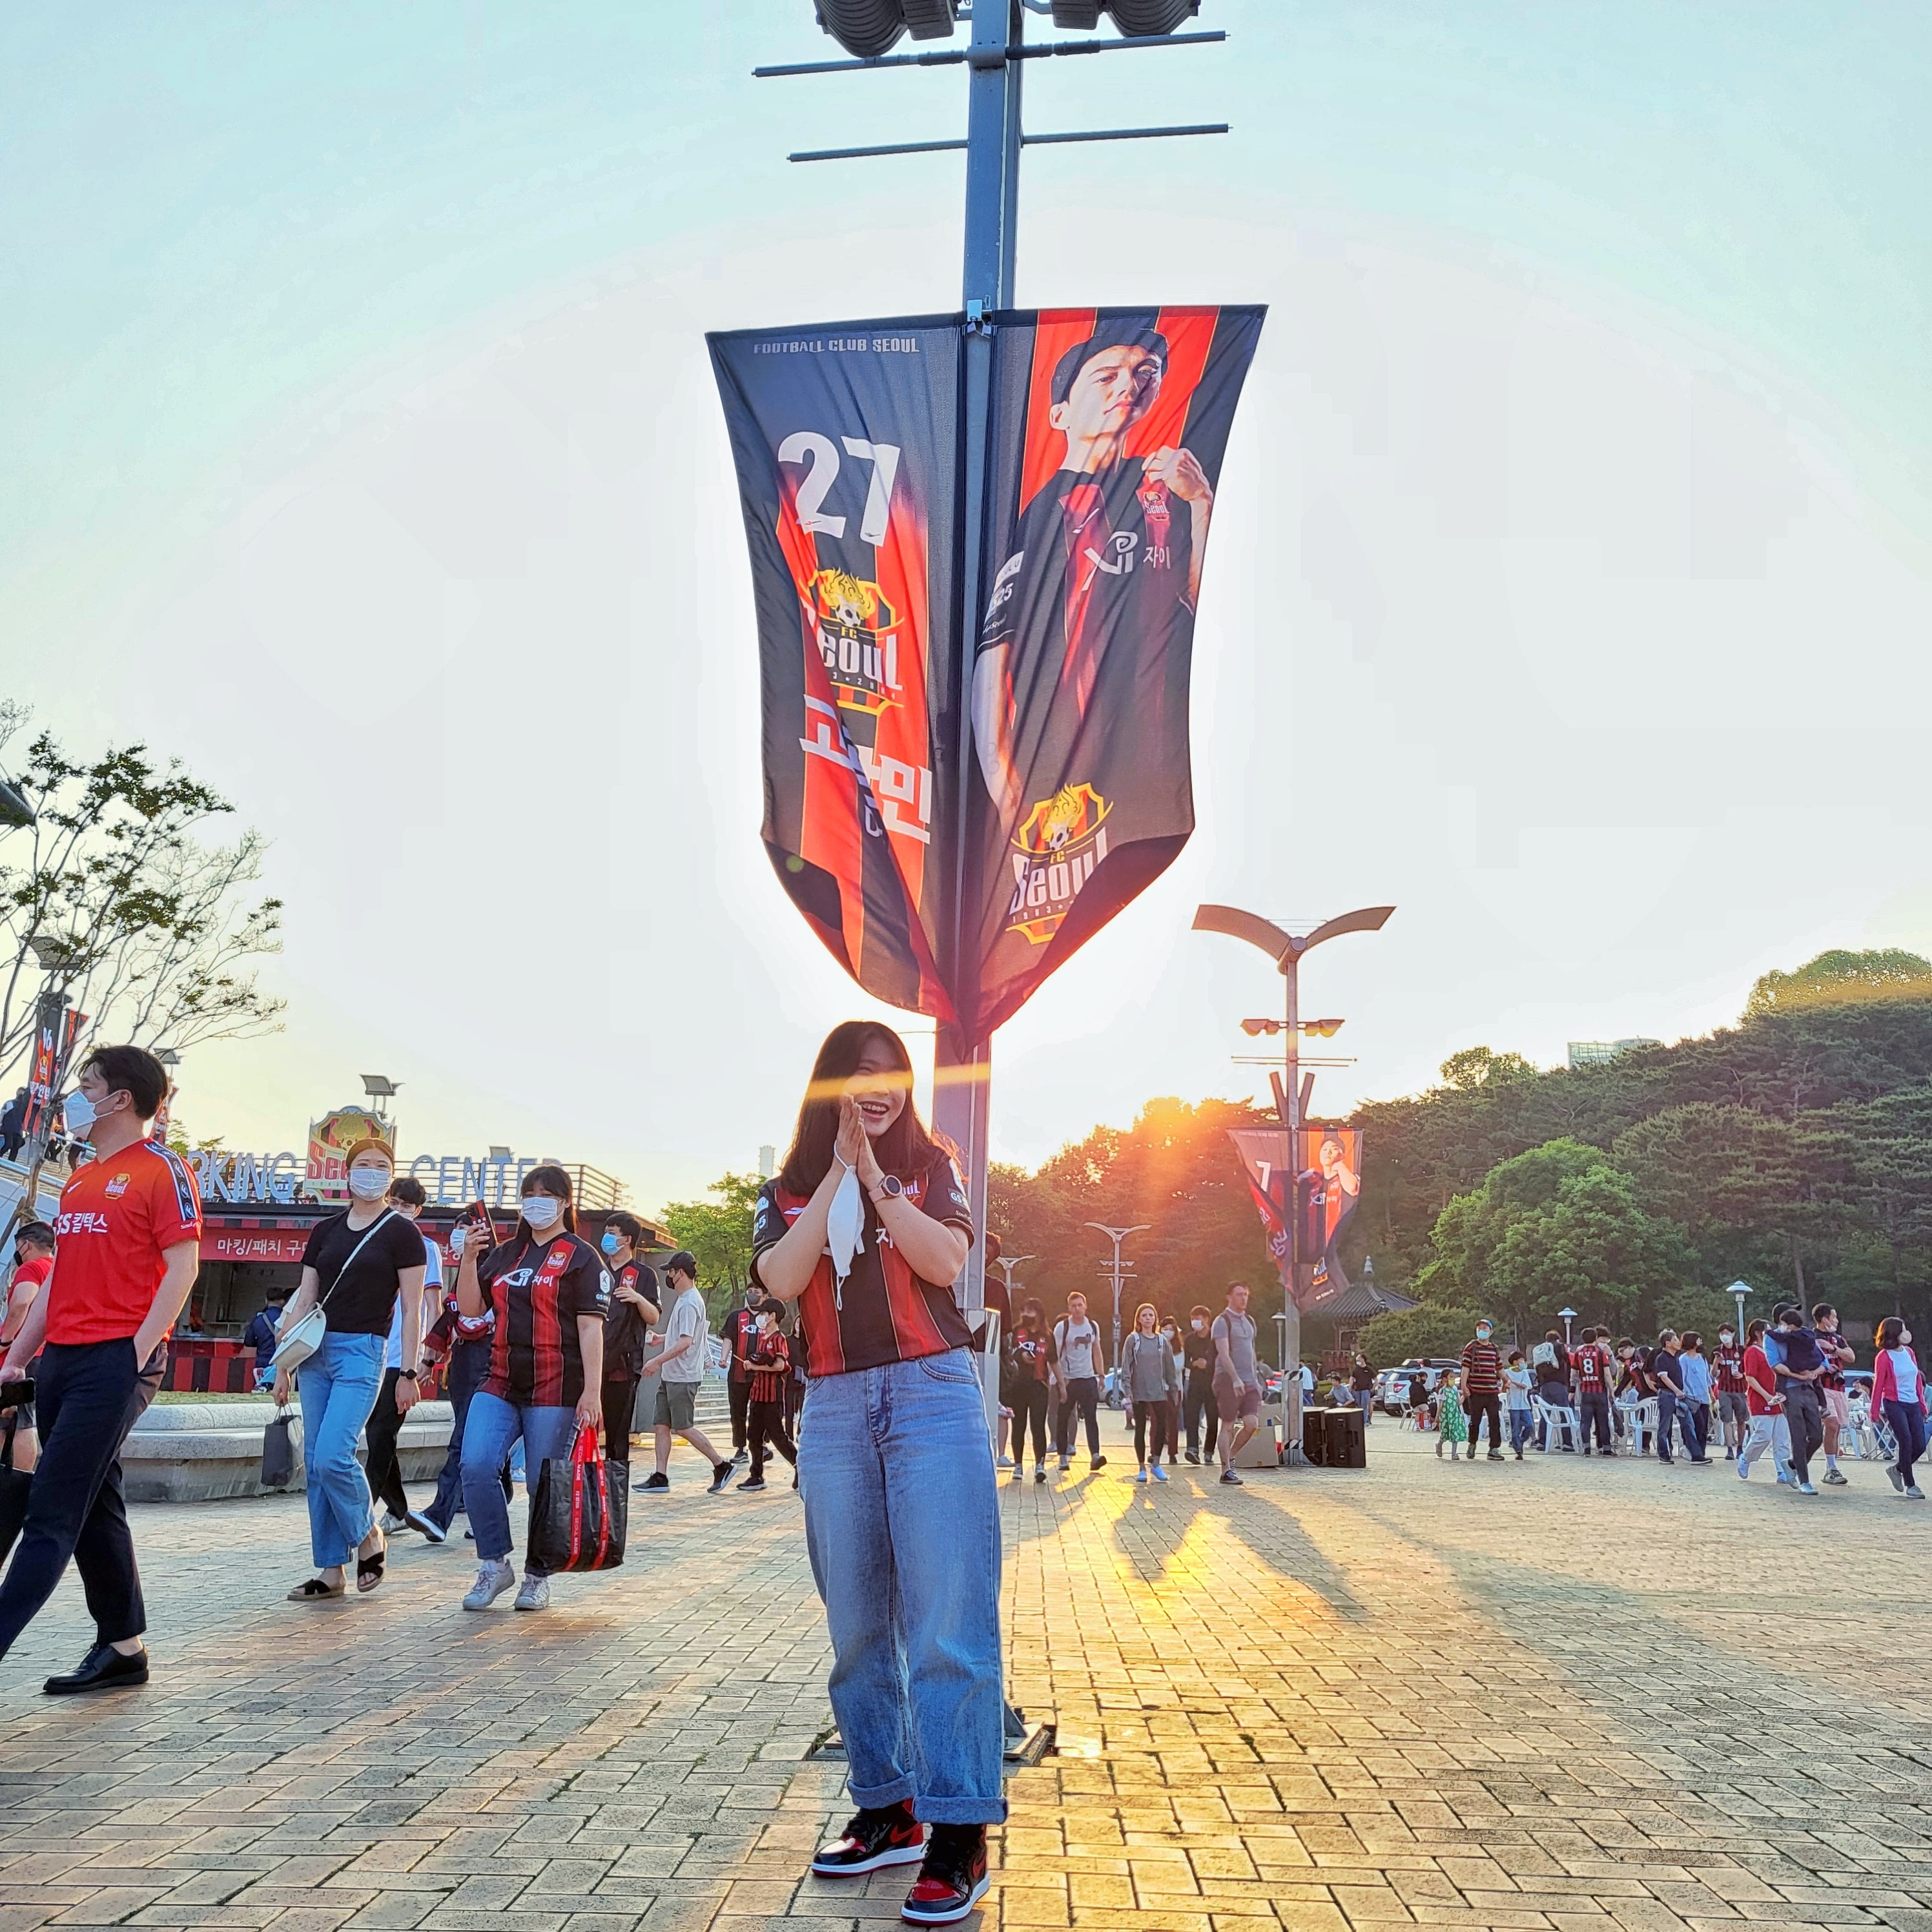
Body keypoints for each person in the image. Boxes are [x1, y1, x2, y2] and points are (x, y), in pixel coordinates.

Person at [751, 1019, 998, 1924]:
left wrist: (878, 1180)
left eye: (890, 1072)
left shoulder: (936, 1168)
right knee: (856, 1624)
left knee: (946, 1625)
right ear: (829, 1088)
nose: (879, 1086)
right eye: (858, 1074)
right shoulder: (783, 1190)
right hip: (838, 1405)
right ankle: (886, 1808)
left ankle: (960, 1830)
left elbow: (944, 1259)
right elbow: (782, 1277)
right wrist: (831, 1179)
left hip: (933, 1394)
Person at [0, 1045, 200, 1693]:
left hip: (117, 1359)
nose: (75, 1098)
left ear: (121, 1099)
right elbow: (60, 1282)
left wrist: (138, 1350)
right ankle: (123, 1646)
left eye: (88, 1085)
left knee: (52, 1511)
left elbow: (183, 1267)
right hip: (63, 1358)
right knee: (95, 1500)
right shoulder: (83, 1178)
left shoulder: (160, 1169)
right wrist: (19, 1356)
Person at [274, 1136, 427, 1599]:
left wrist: (409, 1372)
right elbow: (305, 1298)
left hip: (364, 1351)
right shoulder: (325, 1231)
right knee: (316, 1466)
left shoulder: (403, 1233)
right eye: (363, 1164)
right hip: (315, 1352)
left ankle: (368, 1534)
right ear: (346, 1172)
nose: (372, 1172)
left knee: (332, 1454)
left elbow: (414, 1308)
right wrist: (282, 1366)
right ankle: (330, 1571)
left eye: (382, 1166)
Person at [455, 1164, 610, 1612]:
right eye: (529, 1193)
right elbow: (470, 1309)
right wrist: (469, 1257)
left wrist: (592, 1391)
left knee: (543, 1484)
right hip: (499, 1378)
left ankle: (538, 1575)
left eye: (547, 1193)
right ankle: (493, 1564)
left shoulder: (582, 1257)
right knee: (477, 1463)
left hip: (556, 1387)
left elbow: (590, 1329)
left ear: (565, 1202)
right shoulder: (504, 1255)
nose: (536, 1201)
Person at [358, 1175, 446, 1540]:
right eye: (392, 1202)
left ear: (418, 1211)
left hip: (403, 1357)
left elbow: (431, 1304)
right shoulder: (369, 1240)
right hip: (368, 1352)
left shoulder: (426, 1248)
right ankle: (399, 1509)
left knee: (382, 1434)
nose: (397, 1210)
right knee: (376, 1433)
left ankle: (361, 1515)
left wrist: (429, 1355)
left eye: (405, 1206)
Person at [418, 1209, 501, 1539]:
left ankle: (440, 1514)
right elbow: (450, 1316)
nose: (461, 1234)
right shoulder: (465, 1272)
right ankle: (497, 1494)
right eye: (457, 1229)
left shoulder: (499, 1272)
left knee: (463, 1440)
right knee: (473, 1438)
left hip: (491, 1361)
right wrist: (428, 1361)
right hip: (463, 1363)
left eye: (467, 1228)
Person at [635, 1252, 732, 1495]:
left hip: (683, 1376)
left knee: (683, 1427)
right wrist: (662, 1339)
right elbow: (681, 1336)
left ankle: (721, 1465)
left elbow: (686, 1342)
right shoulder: (685, 1299)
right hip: (672, 1375)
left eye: (671, 1271)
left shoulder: (689, 1302)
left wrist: (656, 1361)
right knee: (661, 1425)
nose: (669, 1276)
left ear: (680, 1272)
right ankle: (660, 1476)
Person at [599, 1213, 659, 1468]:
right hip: (590, 1361)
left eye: (612, 1232)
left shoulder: (644, 1274)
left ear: (627, 1239)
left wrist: (637, 1298)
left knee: (617, 1431)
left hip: (623, 1365)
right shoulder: (595, 1269)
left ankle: (615, 1490)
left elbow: (654, 1316)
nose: (607, 1237)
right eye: (607, 1231)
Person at [1, 1221, 56, 1474]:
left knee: (16, 1419)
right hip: (51, 1353)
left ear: (26, 1244)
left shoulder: (32, 1269)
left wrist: (7, 1340)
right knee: (28, 1417)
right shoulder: (59, 1268)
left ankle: (16, 1477)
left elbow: (22, 1303)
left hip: (26, 1355)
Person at [737, 1298, 797, 1492]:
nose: (761, 1317)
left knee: (778, 1436)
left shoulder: (779, 1339)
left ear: (772, 1316)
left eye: (764, 1314)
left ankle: (800, 1468)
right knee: (753, 1435)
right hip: (758, 1394)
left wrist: (754, 1366)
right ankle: (756, 1475)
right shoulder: (763, 1338)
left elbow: (780, 1366)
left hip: (772, 1396)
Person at [1768, 1305, 1826, 1494]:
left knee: (1817, 1435)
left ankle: (1792, 1464)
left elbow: (1823, 1361)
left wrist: (1813, 1374)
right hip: (1789, 1390)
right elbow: (1775, 1364)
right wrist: (1798, 1375)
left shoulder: (1806, 1335)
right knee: (1798, 1435)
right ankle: (1805, 1480)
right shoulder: (1772, 1338)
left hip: (1809, 1388)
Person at [1211, 1283, 1261, 1485]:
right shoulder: (1222, 1322)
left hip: (1250, 1381)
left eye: (1246, 1295)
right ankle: (1225, 1471)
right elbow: (1223, 1354)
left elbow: (1252, 1353)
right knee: (1228, 1425)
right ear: (1229, 1297)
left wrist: (1257, 1380)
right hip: (1228, 1380)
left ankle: (1230, 1457)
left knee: (1252, 1424)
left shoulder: (1249, 1321)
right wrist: (1235, 1378)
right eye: (1239, 1294)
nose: (1244, 1298)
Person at [1870, 1316, 1927, 1498]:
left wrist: (1922, 1404)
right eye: (1902, 1329)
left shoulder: (1909, 1352)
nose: (1906, 1332)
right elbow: (1878, 1384)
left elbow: (1917, 1379)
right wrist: (1874, 1410)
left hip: (1913, 1404)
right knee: (1906, 1441)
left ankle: (1897, 1469)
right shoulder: (1884, 1357)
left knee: (1920, 1445)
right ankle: (1911, 1485)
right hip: (1894, 1403)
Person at [1122, 1304, 1178, 1484]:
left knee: (1161, 1427)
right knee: (1140, 1428)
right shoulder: (1133, 1340)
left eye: (1151, 1315)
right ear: (1138, 1319)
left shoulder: (1162, 1341)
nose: (1148, 1318)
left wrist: (1174, 1388)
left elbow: (1170, 1367)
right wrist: (1127, 1390)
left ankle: (1156, 1462)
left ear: (1155, 1319)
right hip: (1139, 1391)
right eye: (1144, 1315)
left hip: (1159, 1391)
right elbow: (1126, 1366)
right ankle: (1141, 1467)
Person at [1051, 1291, 1107, 1473]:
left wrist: (1101, 1374)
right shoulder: (1062, 1327)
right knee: (1063, 1418)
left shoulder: (1092, 1326)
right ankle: (1062, 1456)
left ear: (1085, 1306)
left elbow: (1096, 1350)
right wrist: (1059, 1380)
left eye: (1080, 1305)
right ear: (1069, 1308)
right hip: (1069, 1379)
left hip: (1088, 1378)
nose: (1077, 1309)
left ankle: (1095, 1455)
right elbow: (1055, 1355)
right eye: (1073, 1306)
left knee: (1091, 1417)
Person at [1004, 1300, 1054, 1483]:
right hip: (1018, 1385)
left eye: (1031, 1311)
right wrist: (1021, 1356)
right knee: (1018, 1426)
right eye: (1024, 1310)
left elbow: (1054, 1360)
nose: (1027, 1314)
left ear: (1039, 1313)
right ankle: (1018, 1464)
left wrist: (1062, 1385)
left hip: (1039, 1385)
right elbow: (1007, 1354)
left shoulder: (1047, 1335)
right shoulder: (1017, 1331)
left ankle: (1040, 1465)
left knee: (1038, 1426)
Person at [1736, 1319, 1789, 1483]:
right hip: (1761, 1400)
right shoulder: (1752, 1351)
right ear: (1759, 1333)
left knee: (1782, 1439)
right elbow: (1750, 1377)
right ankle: (1746, 1458)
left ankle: (1783, 1470)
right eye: (1767, 1330)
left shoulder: (1772, 1350)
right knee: (1763, 1435)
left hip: (1779, 1399)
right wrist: (1766, 1396)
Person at [1811, 1303, 1856, 1486]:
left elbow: (1851, 1357)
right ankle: (1830, 1467)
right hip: (1820, 1386)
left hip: (1838, 1388)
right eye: (1834, 1316)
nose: (1836, 1320)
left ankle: (1832, 1468)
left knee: (1836, 1428)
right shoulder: (1811, 1337)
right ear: (1825, 1318)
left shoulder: (1838, 1339)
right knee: (1832, 1422)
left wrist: (1833, 1348)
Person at [721, 1282, 762, 1468]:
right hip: (738, 1374)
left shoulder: (767, 1318)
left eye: (757, 1292)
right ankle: (741, 1448)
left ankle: (760, 1446)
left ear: (764, 1296)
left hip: (761, 1376)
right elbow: (728, 1339)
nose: (753, 1295)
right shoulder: (736, 1317)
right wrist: (723, 1357)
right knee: (737, 1413)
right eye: (750, 1292)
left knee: (759, 1413)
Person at [1459, 1319, 1505, 1462]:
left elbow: (1499, 1368)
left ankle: (1494, 1449)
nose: (1482, 1330)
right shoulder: (1471, 1348)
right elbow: (1465, 1368)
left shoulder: (1494, 1349)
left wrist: (1506, 1379)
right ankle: (1472, 1444)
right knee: (1475, 1420)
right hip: (1476, 1391)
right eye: (1479, 1328)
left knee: (1494, 1420)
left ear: (1491, 1332)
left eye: (1485, 1328)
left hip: (1492, 1391)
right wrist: (1464, 1386)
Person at [1181, 1305, 1218, 1465]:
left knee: (1213, 1419)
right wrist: (1194, 1364)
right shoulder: (1189, 1339)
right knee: (1192, 1417)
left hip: (1213, 1384)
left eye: (1198, 1319)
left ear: (1207, 1320)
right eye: (1193, 1319)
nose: (1195, 1322)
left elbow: (1223, 1360)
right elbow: (1185, 1362)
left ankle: (1209, 1452)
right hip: (1195, 1383)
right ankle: (1192, 1449)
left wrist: (1208, 1364)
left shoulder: (1216, 1339)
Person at [1572, 1326, 1616, 1456]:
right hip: (1600, 1391)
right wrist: (1611, 1391)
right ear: (1596, 1339)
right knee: (1603, 1421)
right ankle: (1606, 1448)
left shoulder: (1578, 1353)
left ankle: (1586, 1447)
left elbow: (1574, 1374)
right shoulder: (1601, 1353)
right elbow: (1608, 1374)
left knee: (1585, 1421)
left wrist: (1572, 1389)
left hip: (1586, 1391)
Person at [240, 1284, 287, 1393]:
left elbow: (249, 1342)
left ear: (266, 1301)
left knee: (261, 1395)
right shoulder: (287, 1320)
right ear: (283, 1302)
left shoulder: (258, 1320)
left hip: (262, 1363)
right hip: (282, 1364)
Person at [1674, 1332, 1713, 1465]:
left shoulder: (1702, 1358)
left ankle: (1701, 1453)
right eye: (1698, 1339)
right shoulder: (1683, 1359)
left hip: (1704, 1397)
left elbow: (1707, 1376)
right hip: (1691, 1397)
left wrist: (1711, 1392)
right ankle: (1694, 1452)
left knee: (1704, 1429)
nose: (1700, 1341)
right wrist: (1683, 1394)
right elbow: (1682, 1378)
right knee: (1697, 1425)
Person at [1712, 1323, 1749, 1455]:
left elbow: (1750, 1369)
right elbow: (1714, 1374)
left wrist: (1742, 1375)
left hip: (1740, 1389)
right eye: (1722, 1334)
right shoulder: (1717, 1351)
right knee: (1727, 1419)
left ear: (1733, 1334)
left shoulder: (1742, 1350)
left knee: (1741, 1419)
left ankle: (1740, 1447)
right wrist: (1716, 1362)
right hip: (1724, 1389)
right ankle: (1729, 1449)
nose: (1725, 1336)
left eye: (1727, 1333)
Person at [1160, 1316, 1184, 1464]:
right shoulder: (1156, 1345)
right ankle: (1154, 1452)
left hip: (1175, 1389)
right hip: (1159, 1388)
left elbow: (1178, 1366)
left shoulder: (1179, 1349)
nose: (1168, 1332)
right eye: (1165, 1329)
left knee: (1173, 1421)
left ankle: (1173, 1453)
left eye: (1171, 1330)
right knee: (1157, 1422)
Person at [1503, 1350, 1535, 1459]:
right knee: (1515, 1428)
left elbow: (1525, 1386)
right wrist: (1507, 1382)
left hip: (1524, 1405)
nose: (1523, 1362)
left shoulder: (1524, 1373)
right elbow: (1504, 1388)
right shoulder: (1507, 1373)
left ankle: (1519, 1441)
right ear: (1515, 1361)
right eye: (1521, 1360)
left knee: (1529, 1426)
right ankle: (1518, 1451)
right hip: (1514, 1406)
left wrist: (1514, 1382)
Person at [1435, 1368, 1467, 1460]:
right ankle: (1439, 1445)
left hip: (1455, 1415)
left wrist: (1464, 1396)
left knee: (1455, 1433)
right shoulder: (1443, 1391)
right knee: (1445, 1432)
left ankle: (1454, 1453)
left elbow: (1458, 1402)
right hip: (1446, 1416)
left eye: (1454, 1377)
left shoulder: (1455, 1390)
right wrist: (1438, 1416)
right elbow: (1440, 1405)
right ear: (1445, 1379)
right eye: (1451, 1377)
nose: (1453, 1379)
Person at [1348, 1351, 1375, 1423]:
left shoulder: (1369, 1369)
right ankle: (1362, 1419)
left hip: (1366, 1389)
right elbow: (1352, 1378)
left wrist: (1373, 1388)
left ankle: (1364, 1421)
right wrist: (1350, 1386)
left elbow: (1376, 1379)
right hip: (1357, 1390)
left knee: (1364, 1405)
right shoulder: (1356, 1369)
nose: (1358, 1361)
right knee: (1359, 1406)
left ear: (1363, 1359)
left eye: (1359, 1359)